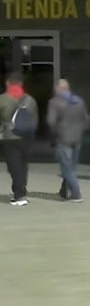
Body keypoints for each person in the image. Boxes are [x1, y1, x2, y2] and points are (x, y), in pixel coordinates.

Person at [47, 79, 90, 202]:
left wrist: (55, 133)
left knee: (66, 168)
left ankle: (76, 194)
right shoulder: (79, 101)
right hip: (77, 138)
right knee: (71, 167)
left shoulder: (54, 102)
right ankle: (64, 191)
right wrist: (80, 130)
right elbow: (86, 119)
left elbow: (51, 121)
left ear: (57, 89)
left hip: (63, 138)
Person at [0, 72, 38, 206]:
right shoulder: (30, 100)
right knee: (23, 165)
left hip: (10, 137)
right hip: (26, 137)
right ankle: (20, 190)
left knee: (14, 166)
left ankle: (20, 195)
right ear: (21, 84)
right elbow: (34, 121)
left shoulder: (3, 99)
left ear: (7, 83)